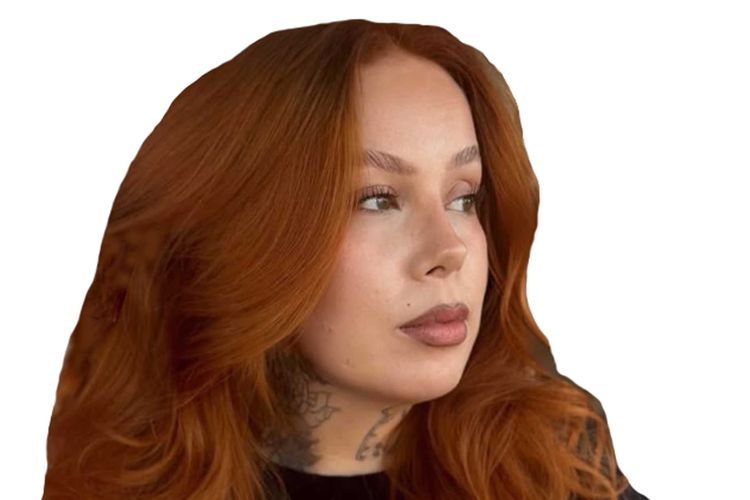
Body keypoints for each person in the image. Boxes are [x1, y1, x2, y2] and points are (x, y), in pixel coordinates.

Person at [43, 19, 648, 499]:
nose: (450, 250)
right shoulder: (112, 477)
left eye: (464, 198)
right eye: (377, 200)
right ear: (238, 236)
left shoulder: (557, 465)